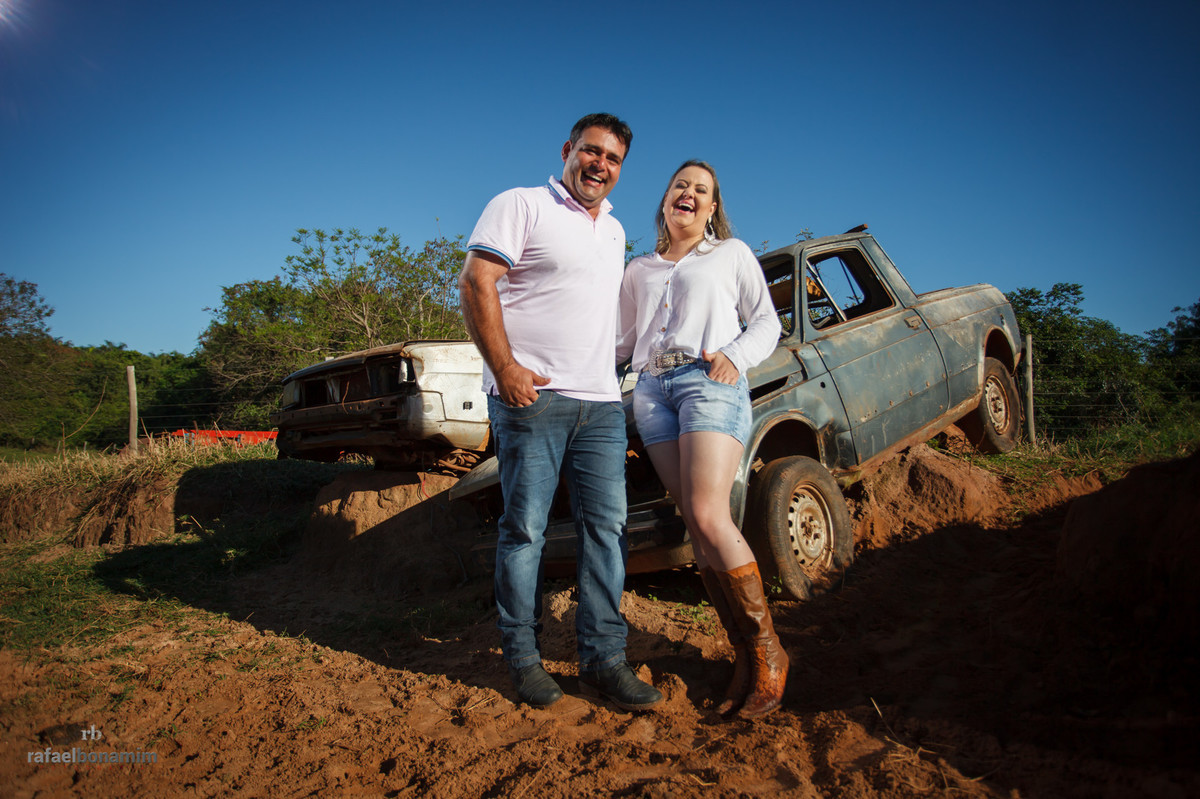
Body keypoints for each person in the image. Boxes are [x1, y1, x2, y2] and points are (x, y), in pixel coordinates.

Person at [458, 113, 662, 711]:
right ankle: (522, 661)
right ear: (568, 150)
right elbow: (476, 283)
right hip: (534, 400)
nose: (601, 165)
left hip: (600, 404)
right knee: (526, 532)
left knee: (608, 531)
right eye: (592, 152)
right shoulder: (520, 204)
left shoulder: (617, 232)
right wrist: (506, 370)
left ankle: (603, 660)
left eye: (614, 159)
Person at [616, 159, 786, 718]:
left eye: (701, 190)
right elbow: (619, 343)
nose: (687, 193)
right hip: (651, 393)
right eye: (679, 186)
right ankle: (744, 656)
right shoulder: (638, 268)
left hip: (706, 379)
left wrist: (733, 358)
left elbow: (765, 322)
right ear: (665, 201)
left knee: (711, 515)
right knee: (693, 519)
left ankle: (770, 653)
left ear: (712, 208)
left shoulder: (730, 256)